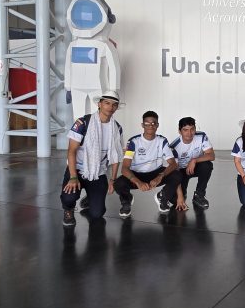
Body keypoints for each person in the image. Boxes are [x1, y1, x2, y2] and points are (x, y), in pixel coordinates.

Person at [61, 91, 124, 227]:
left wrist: (113, 179)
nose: (110, 107)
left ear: (117, 107)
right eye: (107, 103)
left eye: (114, 104)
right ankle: (68, 209)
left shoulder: (117, 128)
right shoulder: (83, 123)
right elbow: (71, 151)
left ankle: (90, 197)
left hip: (98, 172)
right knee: (69, 196)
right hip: (77, 170)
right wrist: (73, 177)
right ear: (99, 104)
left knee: (97, 213)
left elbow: (116, 155)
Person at [112, 111, 184, 217]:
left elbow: (173, 164)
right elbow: (125, 168)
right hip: (137, 174)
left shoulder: (162, 141)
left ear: (157, 125)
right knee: (118, 183)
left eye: (154, 123)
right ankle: (126, 201)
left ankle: (162, 197)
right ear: (142, 125)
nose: (151, 125)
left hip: (156, 173)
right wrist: (138, 182)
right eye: (147, 123)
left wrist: (160, 176)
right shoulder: (133, 141)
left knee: (177, 175)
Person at [169, 117, 215, 209]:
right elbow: (174, 171)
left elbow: (211, 156)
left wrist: (194, 160)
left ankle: (199, 195)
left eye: (192, 129)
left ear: (195, 129)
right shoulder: (174, 147)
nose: (189, 133)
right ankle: (182, 192)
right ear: (179, 131)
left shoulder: (201, 136)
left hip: (195, 167)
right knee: (174, 200)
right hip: (180, 172)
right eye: (185, 130)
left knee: (207, 165)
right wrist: (180, 196)